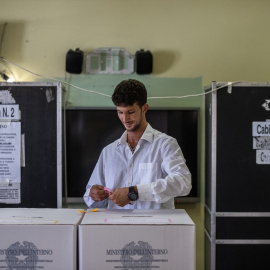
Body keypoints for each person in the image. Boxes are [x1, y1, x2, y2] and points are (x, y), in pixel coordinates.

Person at [83, 79, 191, 209]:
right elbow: (91, 199)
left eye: (131, 112)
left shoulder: (165, 144)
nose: (125, 119)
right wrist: (94, 195)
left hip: (154, 227)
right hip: (116, 227)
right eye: (120, 112)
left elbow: (183, 182)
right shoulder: (109, 151)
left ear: (144, 108)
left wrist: (134, 192)